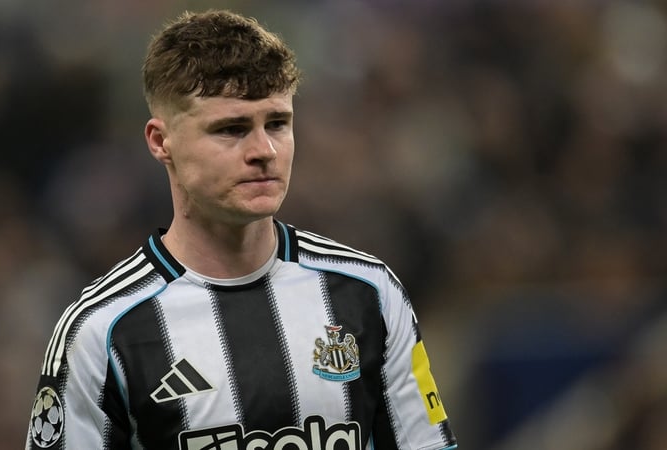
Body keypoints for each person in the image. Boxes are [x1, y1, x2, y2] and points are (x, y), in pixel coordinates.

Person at [25, 9, 457, 450]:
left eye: (277, 123)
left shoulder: (369, 293)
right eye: (231, 129)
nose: (264, 150)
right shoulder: (102, 329)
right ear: (160, 141)